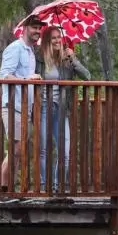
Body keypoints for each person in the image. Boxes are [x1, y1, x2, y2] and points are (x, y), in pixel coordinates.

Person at [37, 27, 90, 191]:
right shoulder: (39, 59)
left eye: (59, 37)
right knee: (44, 149)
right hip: (43, 106)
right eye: (53, 38)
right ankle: (45, 187)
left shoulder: (67, 59)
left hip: (61, 109)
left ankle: (57, 185)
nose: (57, 41)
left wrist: (73, 58)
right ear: (47, 40)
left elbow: (87, 76)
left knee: (65, 151)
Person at [0, 16, 43, 191]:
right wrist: (26, 79)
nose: (38, 31)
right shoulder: (15, 49)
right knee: (15, 149)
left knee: (17, 152)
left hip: (26, 108)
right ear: (25, 28)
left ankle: (10, 189)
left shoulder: (30, 52)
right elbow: (4, 75)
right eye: (34, 27)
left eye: (39, 28)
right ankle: (4, 191)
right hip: (12, 106)